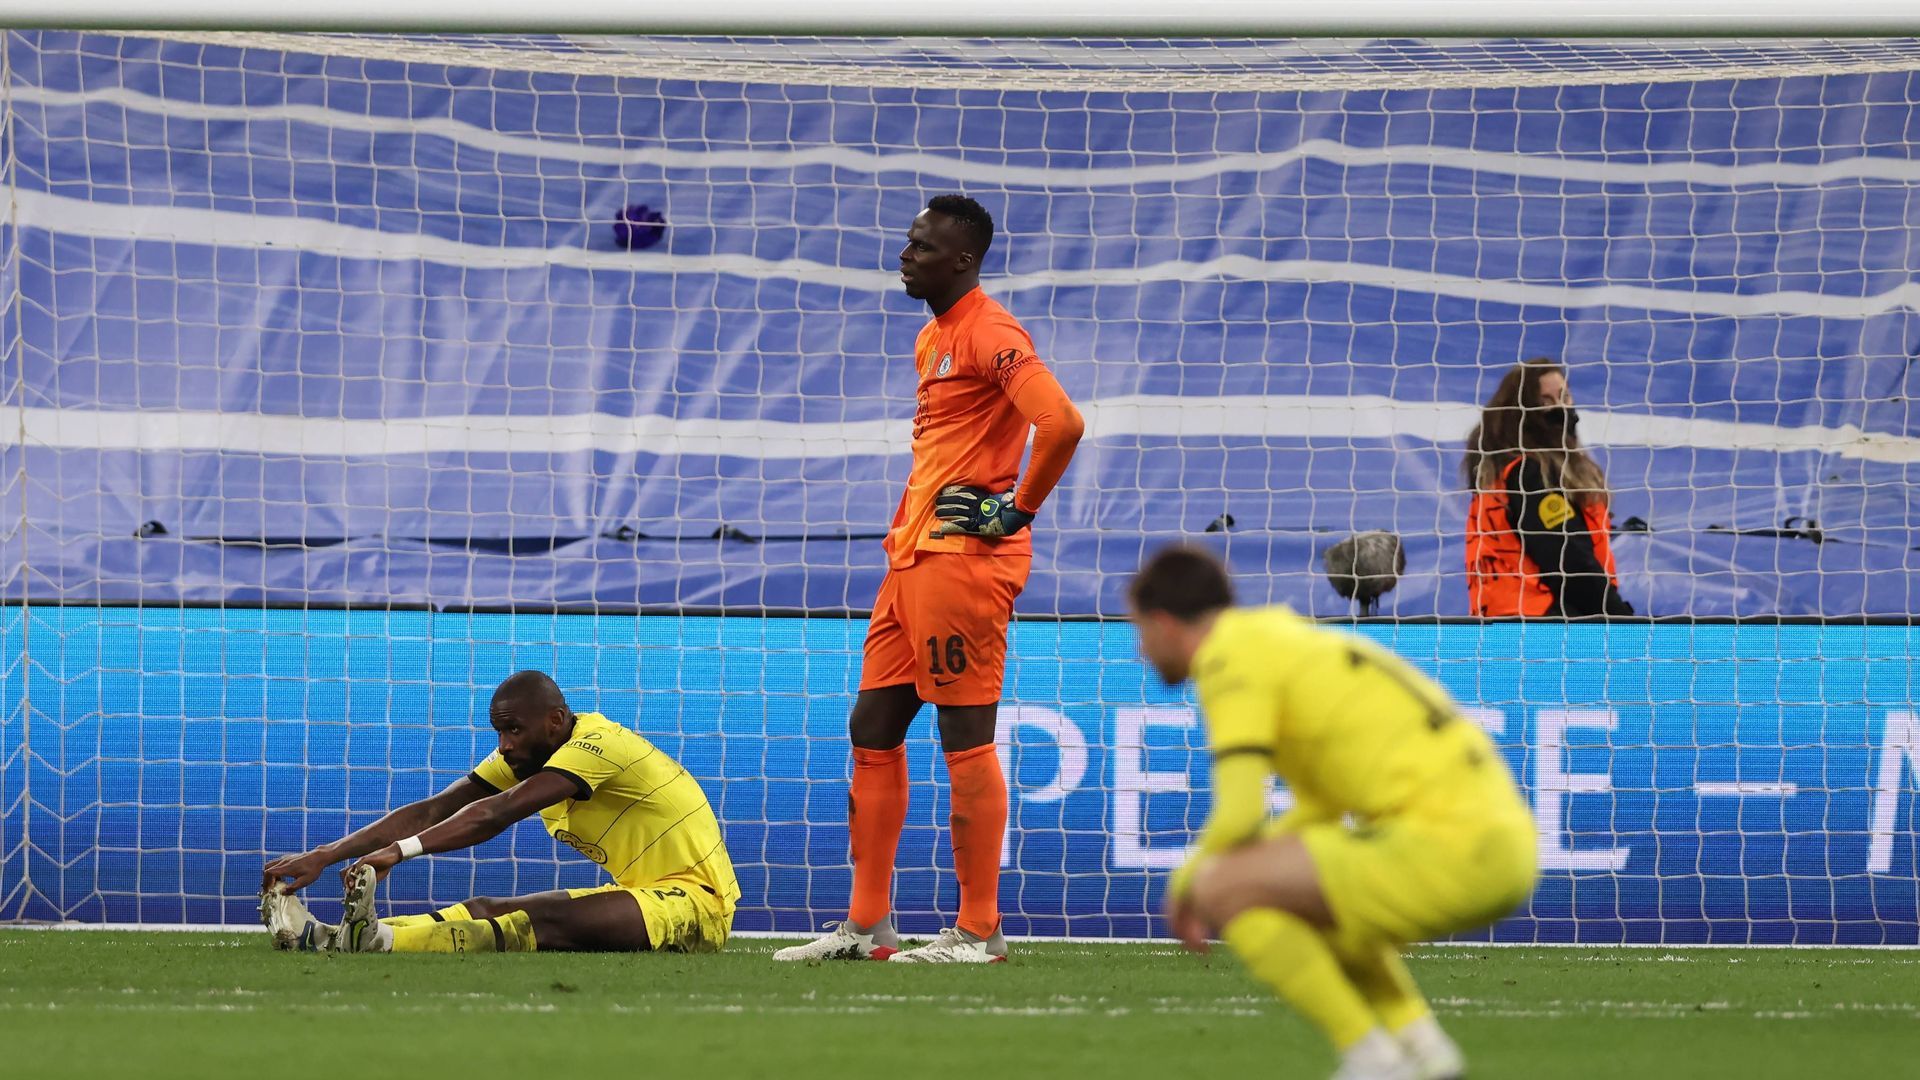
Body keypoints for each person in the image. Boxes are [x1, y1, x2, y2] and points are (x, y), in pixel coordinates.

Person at [774, 194, 1084, 964]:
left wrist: (1015, 513)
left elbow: (1063, 421)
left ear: (963, 260)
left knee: (964, 738)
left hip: (962, 564)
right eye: (907, 241)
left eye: (920, 246)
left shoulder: (992, 331)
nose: (905, 254)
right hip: (910, 558)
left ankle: (979, 930)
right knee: (872, 729)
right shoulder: (932, 337)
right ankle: (868, 924)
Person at [1130, 545, 1537, 1080]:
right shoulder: (1279, 641)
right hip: (1502, 844)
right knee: (1298, 900)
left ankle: (1370, 1058)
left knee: (1225, 887)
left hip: (1446, 844)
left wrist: (1185, 885)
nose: (1141, 649)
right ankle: (1422, 1049)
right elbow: (1321, 806)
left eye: (1139, 631)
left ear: (1163, 623)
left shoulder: (1229, 657)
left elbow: (1240, 814)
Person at [258, 670, 740, 954]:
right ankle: (338, 935)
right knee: (490, 909)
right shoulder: (533, 751)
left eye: (513, 731)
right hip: (640, 893)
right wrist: (325, 854)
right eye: (499, 732)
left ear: (555, 721)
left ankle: (380, 943)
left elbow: (499, 812)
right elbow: (437, 809)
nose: (504, 745)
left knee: (537, 923)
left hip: (697, 905)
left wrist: (396, 853)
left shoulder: (599, 745)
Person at [1463, 357, 1633, 617]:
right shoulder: (1531, 474)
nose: (1560, 409)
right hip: (1544, 624)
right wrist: (1619, 617)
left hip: (1501, 623)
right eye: (1546, 401)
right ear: (1522, 411)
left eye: (1564, 397)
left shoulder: (1499, 475)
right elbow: (1568, 560)